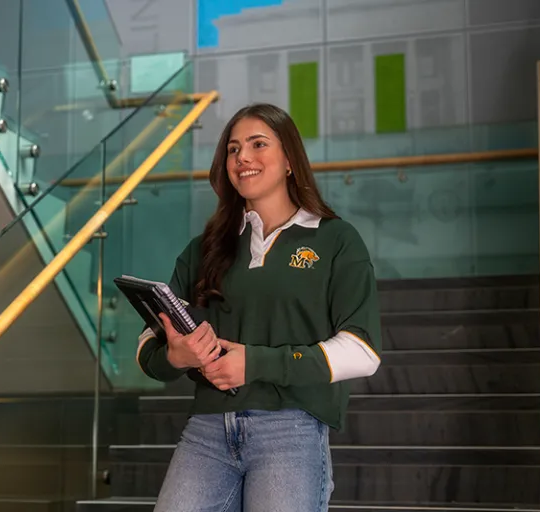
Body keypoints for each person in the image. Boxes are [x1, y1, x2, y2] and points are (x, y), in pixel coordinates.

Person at [136, 103, 382, 512]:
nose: (242, 158)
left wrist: (255, 363)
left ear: (289, 160)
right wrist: (175, 355)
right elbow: (149, 343)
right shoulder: (205, 248)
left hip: (292, 430)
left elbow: (362, 351)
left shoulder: (336, 240)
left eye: (257, 144)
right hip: (208, 430)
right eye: (233, 149)